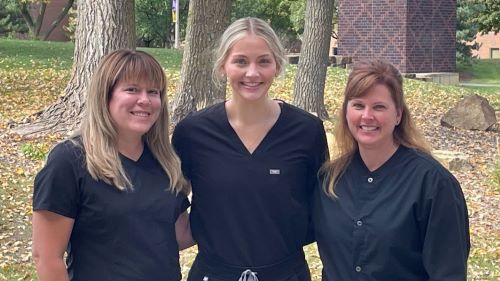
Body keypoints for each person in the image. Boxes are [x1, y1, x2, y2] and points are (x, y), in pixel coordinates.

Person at [172, 17, 328, 281]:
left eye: (263, 61)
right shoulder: (193, 132)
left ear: (277, 65)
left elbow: (324, 212)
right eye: (241, 61)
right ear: (223, 66)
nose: (252, 73)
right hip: (214, 273)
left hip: (286, 274)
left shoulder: (307, 131)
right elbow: (167, 201)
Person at [32, 49, 194, 281]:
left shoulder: (165, 162)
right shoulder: (70, 161)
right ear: (105, 95)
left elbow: (178, 234)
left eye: (153, 92)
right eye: (132, 89)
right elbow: (46, 258)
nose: (145, 100)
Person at [313, 59, 470, 281]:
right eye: (358, 105)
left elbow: (448, 273)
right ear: (346, 112)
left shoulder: (433, 184)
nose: (367, 116)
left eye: (379, 107)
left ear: (398, 114)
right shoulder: (330, 180)